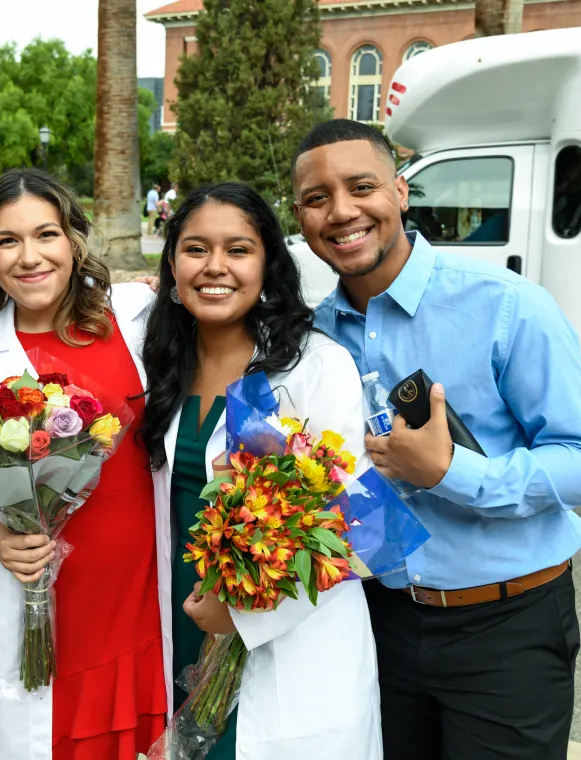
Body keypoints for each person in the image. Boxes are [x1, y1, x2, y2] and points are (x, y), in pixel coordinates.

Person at [291, 119, 581, 760]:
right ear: (301, 215)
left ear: (402, 192)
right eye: (316, 198)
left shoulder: (507, 306)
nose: (342, 211)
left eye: (362, 186)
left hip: (507, 626)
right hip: (373, 620)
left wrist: (448, 473)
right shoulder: (313, 337)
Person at [140, 182, 381, 759]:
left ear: (269, 264)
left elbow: (360, 527)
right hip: (181, 627)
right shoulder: (157, 363)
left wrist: (238, 610)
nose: (214, 267)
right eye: (195, 249)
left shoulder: (316, 365)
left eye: (238, 249)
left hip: (290, 645)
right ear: (171, 265)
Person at [0, 168, 166, 760]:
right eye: (7, 240)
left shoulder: (138, 314)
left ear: (73, 240)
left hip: (138, 594)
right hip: (40, 596)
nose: (29, 256)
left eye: (45, 234)